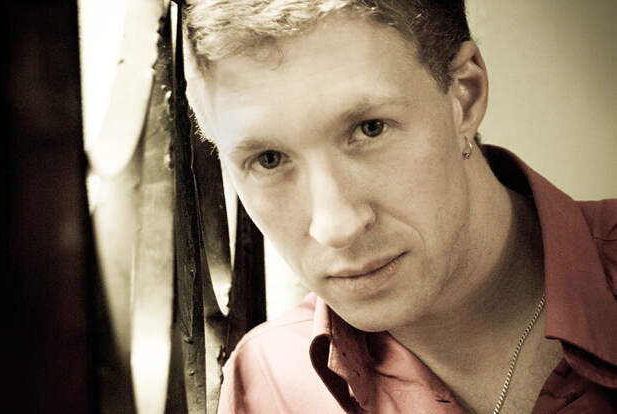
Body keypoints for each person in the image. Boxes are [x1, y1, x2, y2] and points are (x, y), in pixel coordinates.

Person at [183, 1, 617, 412]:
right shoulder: (265, 379)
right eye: (268, 160)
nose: (337, 227)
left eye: (370, 129)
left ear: (464, 96)